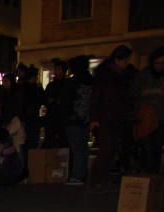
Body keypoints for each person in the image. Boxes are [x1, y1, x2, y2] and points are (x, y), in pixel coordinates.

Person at [89, 45, 133, 190]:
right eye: (125, 60)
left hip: (117, 117)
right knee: (106, 149)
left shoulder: (122, 75)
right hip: (105, 117)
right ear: (117, 59)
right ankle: (95, 180)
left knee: (113, 149)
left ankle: (102, 178)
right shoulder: (105, 75)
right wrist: (94, 118)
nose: (126, 63)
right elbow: (96, 97)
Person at [134, 46, 164, 175]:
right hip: (146, 117)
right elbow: (134, 92)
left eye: (163, 63)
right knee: (147, 149)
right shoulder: (144, 75)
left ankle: (154, 177)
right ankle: (147, 175)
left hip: (161, 118)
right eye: (157, 63)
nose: (160, 66)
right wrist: (151, 92)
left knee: (156, 148)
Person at [64, 55, 93, 185]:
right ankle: (82, 173)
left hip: (73, 119)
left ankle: (77, 175)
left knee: (76, 149)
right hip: (86, 118)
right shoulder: (91, 80)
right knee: (83, 148)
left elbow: (67, 101)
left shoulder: (73, 82)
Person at [43, 59, 70, 149]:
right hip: (51, 119)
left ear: (64, 71)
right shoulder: (51, 85)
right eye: (55, 69)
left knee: (64, 144)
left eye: (58, 69)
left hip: (64, 119)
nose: (56, 72)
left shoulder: (68, 85)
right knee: (50, 143)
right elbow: (45, 99)